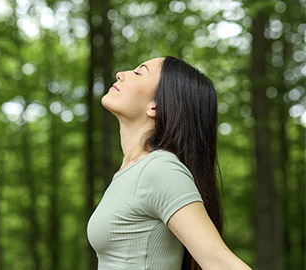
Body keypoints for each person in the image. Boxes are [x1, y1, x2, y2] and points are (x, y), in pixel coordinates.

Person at [87, 56, 252, 270]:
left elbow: (221, 264)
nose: (121, 74)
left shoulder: (159, 169)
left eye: (138, 72)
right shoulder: (129, 171)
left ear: (155, 106)